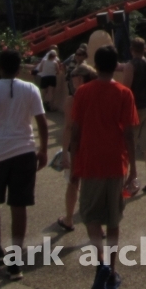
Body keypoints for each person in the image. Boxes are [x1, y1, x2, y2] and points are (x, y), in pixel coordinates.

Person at [70, 45, 138, 289]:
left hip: (90, 161)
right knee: (113, 219)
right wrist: (134, 169)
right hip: (115, 162)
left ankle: (101, 263)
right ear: (115, 65)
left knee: (90, 215)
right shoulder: (124, 94)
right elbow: (129, 133)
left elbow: (75, 130)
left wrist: (72, 160)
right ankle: (112, 269)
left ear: (95, 66)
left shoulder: (83, 93)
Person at [0, 50, 49, 281]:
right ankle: (14, 259)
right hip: (24, 151)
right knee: (19, 206)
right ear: (19, 67)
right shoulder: (30, 88)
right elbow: (41, 121)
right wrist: (42, 149)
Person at [55, 62, 98, 233]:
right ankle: (97, 223)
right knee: (94, 184)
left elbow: (68, 127)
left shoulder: (73, 100)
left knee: (73, 182)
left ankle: (69, 218)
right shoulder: (98, 96)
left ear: (79, 78)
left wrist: (65, 151)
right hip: (95, 144)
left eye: (73, 77)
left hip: (78, 145)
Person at [121, 37, 146, 192]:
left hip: (134, 109)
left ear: (132, 49)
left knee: (128, 146)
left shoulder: (130, 66)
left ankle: (130, 179)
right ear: (145, 49)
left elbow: (126, 89)